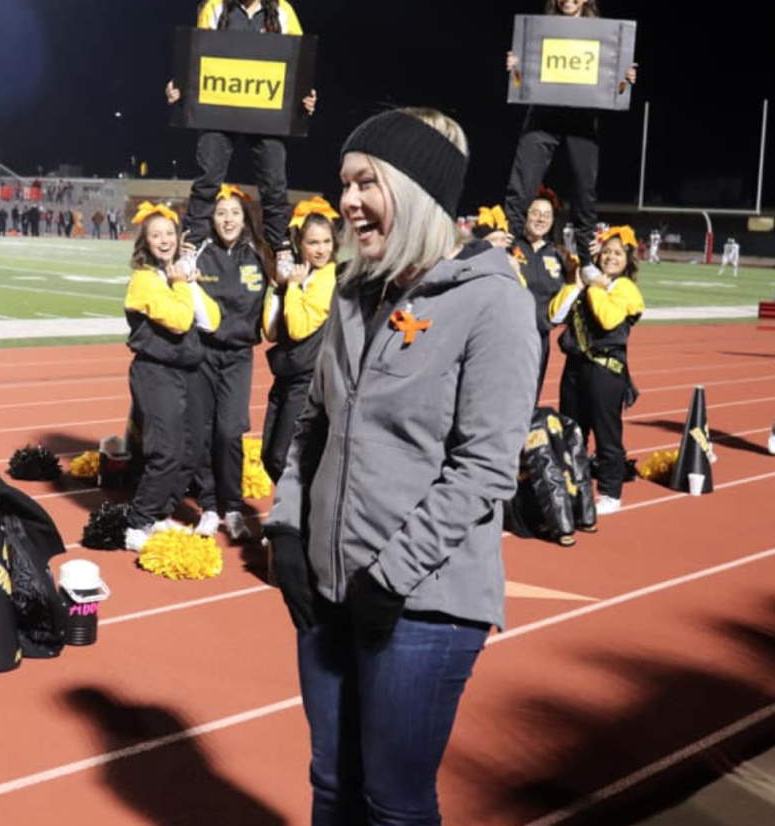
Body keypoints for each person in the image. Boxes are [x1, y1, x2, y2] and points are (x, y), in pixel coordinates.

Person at [263, 107, 539, 825]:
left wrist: (389, 577)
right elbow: (315, 424)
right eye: (344, 184)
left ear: (415, 187)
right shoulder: (357, 292)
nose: (346, 201)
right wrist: (288, 526)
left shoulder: (494, 302)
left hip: (422, 605)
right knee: (332, 783)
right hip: (329, 589)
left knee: (395, 802)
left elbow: (484, 469)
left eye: (365, 182)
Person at [165, 0, 318, 263]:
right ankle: (192, 245)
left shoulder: (282, 9)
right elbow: (196, 57)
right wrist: (179, 89)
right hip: (219, 105)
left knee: (274, 183)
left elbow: (298, 60)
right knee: (209, 177)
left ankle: (280, 249)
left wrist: (305, 97)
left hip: (267, 109)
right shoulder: (215, 7)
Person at [503, 0, 638, 263]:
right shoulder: (540, 30)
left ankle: (587, 261)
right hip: (543, 116)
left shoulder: (603, 34)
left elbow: (616, 89)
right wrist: (515, 69)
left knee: (584, 191)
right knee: (521, 186)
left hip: (581, 119)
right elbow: (520, 81)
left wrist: (624, 80)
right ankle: (506, 251)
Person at [122, 202, 220, 551]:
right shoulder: (145, 280)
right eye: (155, 235)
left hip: (185, 372)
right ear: (145, 242)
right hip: (156, 372)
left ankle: (157, 514)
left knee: (189, 450)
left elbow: (211, 320)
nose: (164, 240)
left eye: (169, 233)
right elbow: (180, 321)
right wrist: (181, 283)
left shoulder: (176, 274)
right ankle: (136, 523)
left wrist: (189, 283)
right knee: (165, 450)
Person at [187, 185, 268, 540]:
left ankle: (232, 508)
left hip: (238, 356)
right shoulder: (199, 253)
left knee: (230, 431)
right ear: (212, 218)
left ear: (244, 217)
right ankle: (207, 506)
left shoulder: (257, 254)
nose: (228, 219)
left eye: (234, 212)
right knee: (203, 430)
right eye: (221, 213)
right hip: (203, 354)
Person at [549, 225, 645, 515]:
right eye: (606, 252)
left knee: (607, 435)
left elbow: (606, 319)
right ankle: (572, 486)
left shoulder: (626, 289)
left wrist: (594, 286)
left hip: (605, 373)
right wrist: (578, 284)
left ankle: (610, 492)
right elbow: (555, 314)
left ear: (628, 259)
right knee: (571, 432)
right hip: (575, 370)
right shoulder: (589, 281)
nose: (610, 257)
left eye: (618, 253)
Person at [260, 195, 338, 482]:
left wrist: (292, 287)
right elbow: (269, 331)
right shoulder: (299, 276)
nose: (321, 249)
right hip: (285, 374)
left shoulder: (328, 278)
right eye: (313, 243)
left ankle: (303, 519)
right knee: (268, 455)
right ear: (299, 244)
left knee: (283, 457)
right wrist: (281, 289)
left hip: (308, 379)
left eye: (326, 242)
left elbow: (298, 328)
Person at [511, 193, 572, 396]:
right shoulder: (511, 247)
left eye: (546, 215)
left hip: (539, 340)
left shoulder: (558, 253)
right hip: (508, 336)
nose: (541, 219)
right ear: (525, 216)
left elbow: (581, 280)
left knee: (531, 396)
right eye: (535, 213)